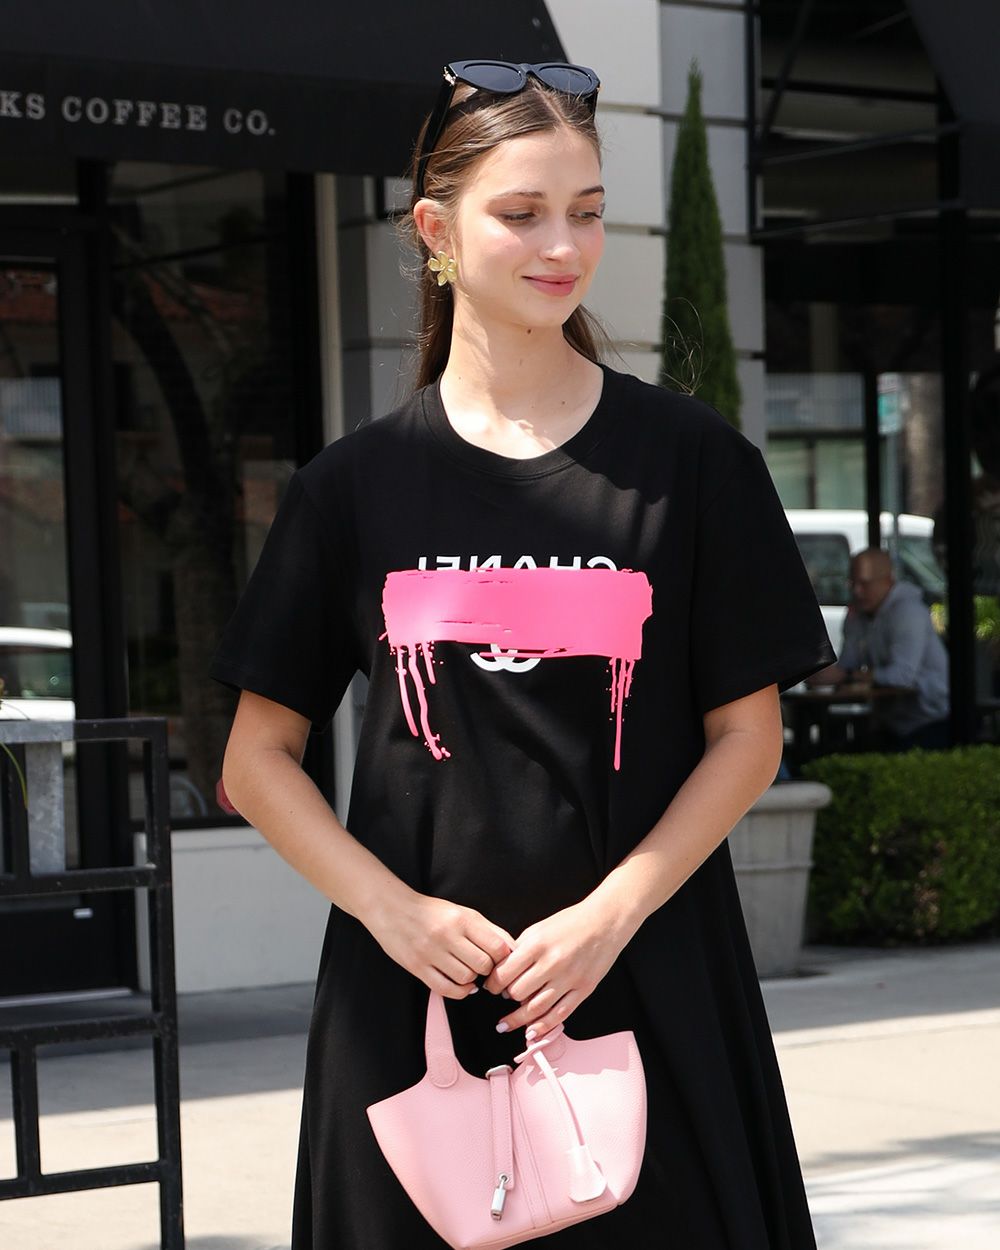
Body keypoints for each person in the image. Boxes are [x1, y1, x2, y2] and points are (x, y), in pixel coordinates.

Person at [210, 59, 835, 1250]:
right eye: (522, 212)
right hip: (414, 1007)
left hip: (648, 977)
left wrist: (608, 916)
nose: (563, 245)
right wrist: (393, 913)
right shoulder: (350, 488)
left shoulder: (693, 465)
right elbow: (257, 759)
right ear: (435, 231)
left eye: (586, 211)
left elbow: (748, 736)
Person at [809, 547, 950, 750]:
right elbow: (848, 662)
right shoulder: (859, 613)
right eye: (853, 583)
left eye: (865, 584)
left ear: (888, 581)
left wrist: (848, 675)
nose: (857, 591)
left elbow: (902, 676)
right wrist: (828, 674)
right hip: (891, 723)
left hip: (930, 721)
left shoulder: (909, 612)